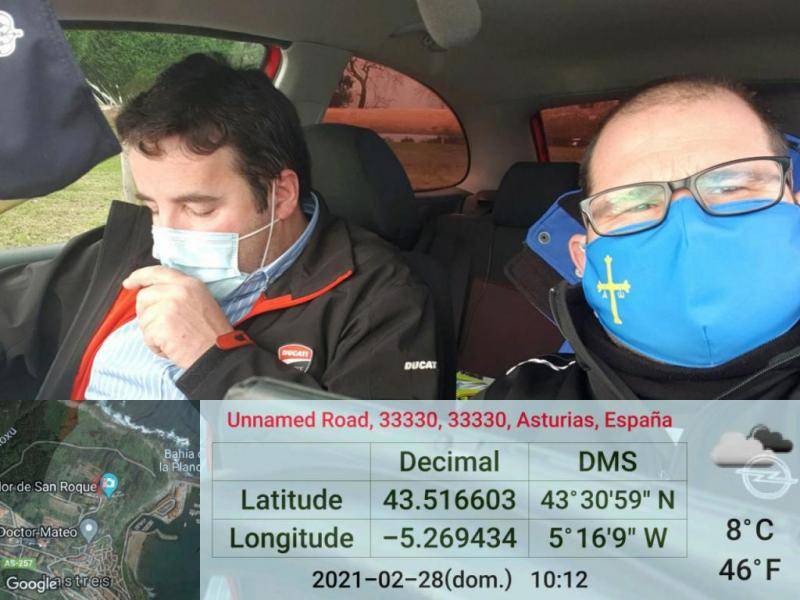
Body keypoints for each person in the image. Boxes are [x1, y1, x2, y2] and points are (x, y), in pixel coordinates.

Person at [0, 53, 440, 400]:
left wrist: (216, 358)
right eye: (152, 207)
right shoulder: (122, 252)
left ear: (280, 195)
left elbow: (372, 469)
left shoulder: (379, 300)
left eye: (198, 209)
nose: (164, 239)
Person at [487, 77, 800, 399]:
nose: (689, 224)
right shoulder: (520, 400)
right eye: (635, 204)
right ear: (582, 257)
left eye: (731, 187)